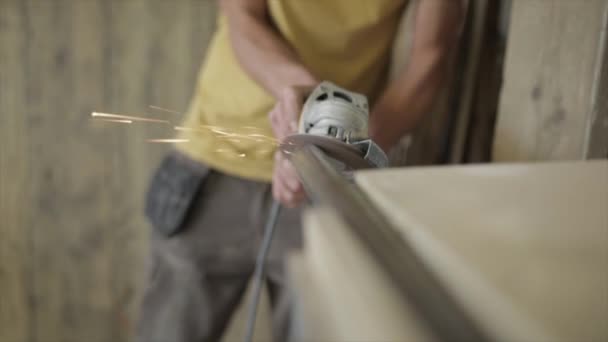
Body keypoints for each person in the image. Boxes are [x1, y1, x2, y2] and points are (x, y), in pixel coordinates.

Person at [137, 0, 464, 341]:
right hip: (213, 170)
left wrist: (338, 147)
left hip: (324, 189)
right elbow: (242, 18)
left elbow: (430, 59)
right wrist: (310, 104)